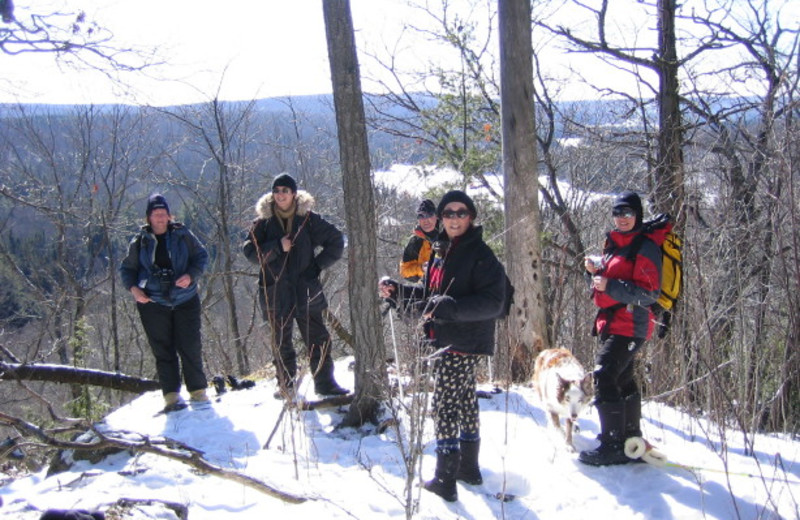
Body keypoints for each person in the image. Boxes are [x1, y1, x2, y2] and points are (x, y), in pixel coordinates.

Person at [379, 190, 506, 502]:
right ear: (441, 218)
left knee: (444, 404)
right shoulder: (441, 251)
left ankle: (445, 477)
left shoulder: (480, 254)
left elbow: (494, 302)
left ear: (471, 216)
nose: (454, 218)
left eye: (461, 212)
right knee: (463, 399)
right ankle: (469, 468)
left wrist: (451, 308)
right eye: (448, 213)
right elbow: (428, 294)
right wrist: (397, 292)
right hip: (446, 335)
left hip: (461, 339)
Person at [242, 173, 348, 398]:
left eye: (285, 191)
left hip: (306, 288)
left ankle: (325, 384)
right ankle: (286, 386)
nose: (280, 195)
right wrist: (277, 246)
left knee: (318, 339)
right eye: (277, 191)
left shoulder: (308, 219)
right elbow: (250, 253)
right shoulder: (262, 223)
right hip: (275, 290)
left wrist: (317, 266)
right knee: (281, 342)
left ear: (294, 194)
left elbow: (337, 240)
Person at [580, 190, 663, 466]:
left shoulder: (645, 246)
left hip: (632, 324)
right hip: (614, 322)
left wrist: (610, 286)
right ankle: (631, 441)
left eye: (627, 212)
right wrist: (595, 270)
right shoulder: (616, 242)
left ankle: (613, 444)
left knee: (604, 374)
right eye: (617, 213)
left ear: (637, 214)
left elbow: (650, 293)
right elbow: (614, 273)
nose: (622, 218)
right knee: (622, 378)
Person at [119, 194, 210, 413]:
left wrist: (190, 275)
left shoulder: (182, 235)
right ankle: (171, 395)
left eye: (163, 214)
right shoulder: (139, 242)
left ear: (169, 216)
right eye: (155, 214)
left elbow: (201, 256)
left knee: (190, 346)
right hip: (152, 303)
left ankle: (197, 391)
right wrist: (134, 289)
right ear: (149, 217)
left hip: (185, 299)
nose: (160, 218)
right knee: (163, 349)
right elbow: (127, 269)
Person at [399, 199, 439, 283]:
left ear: (436, 216)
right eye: (421, 216)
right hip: (426, 288)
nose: (426, 220)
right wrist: (421, 268)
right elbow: (404, 271)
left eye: (429, 215)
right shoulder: (415, 241)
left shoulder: (449, 233)